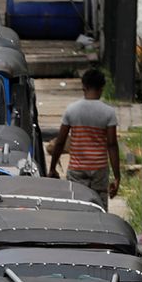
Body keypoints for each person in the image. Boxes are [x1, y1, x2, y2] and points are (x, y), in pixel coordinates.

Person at [47, 67, 122, 209]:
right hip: (99, 169)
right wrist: (117, 177)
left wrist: (52, 168)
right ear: (102, 88)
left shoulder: (72, 110)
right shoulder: (108, 113)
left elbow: (60, 142)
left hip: (77, 170)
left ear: (84, 87)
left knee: (77, 207)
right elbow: (112, 145)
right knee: (99, 208)